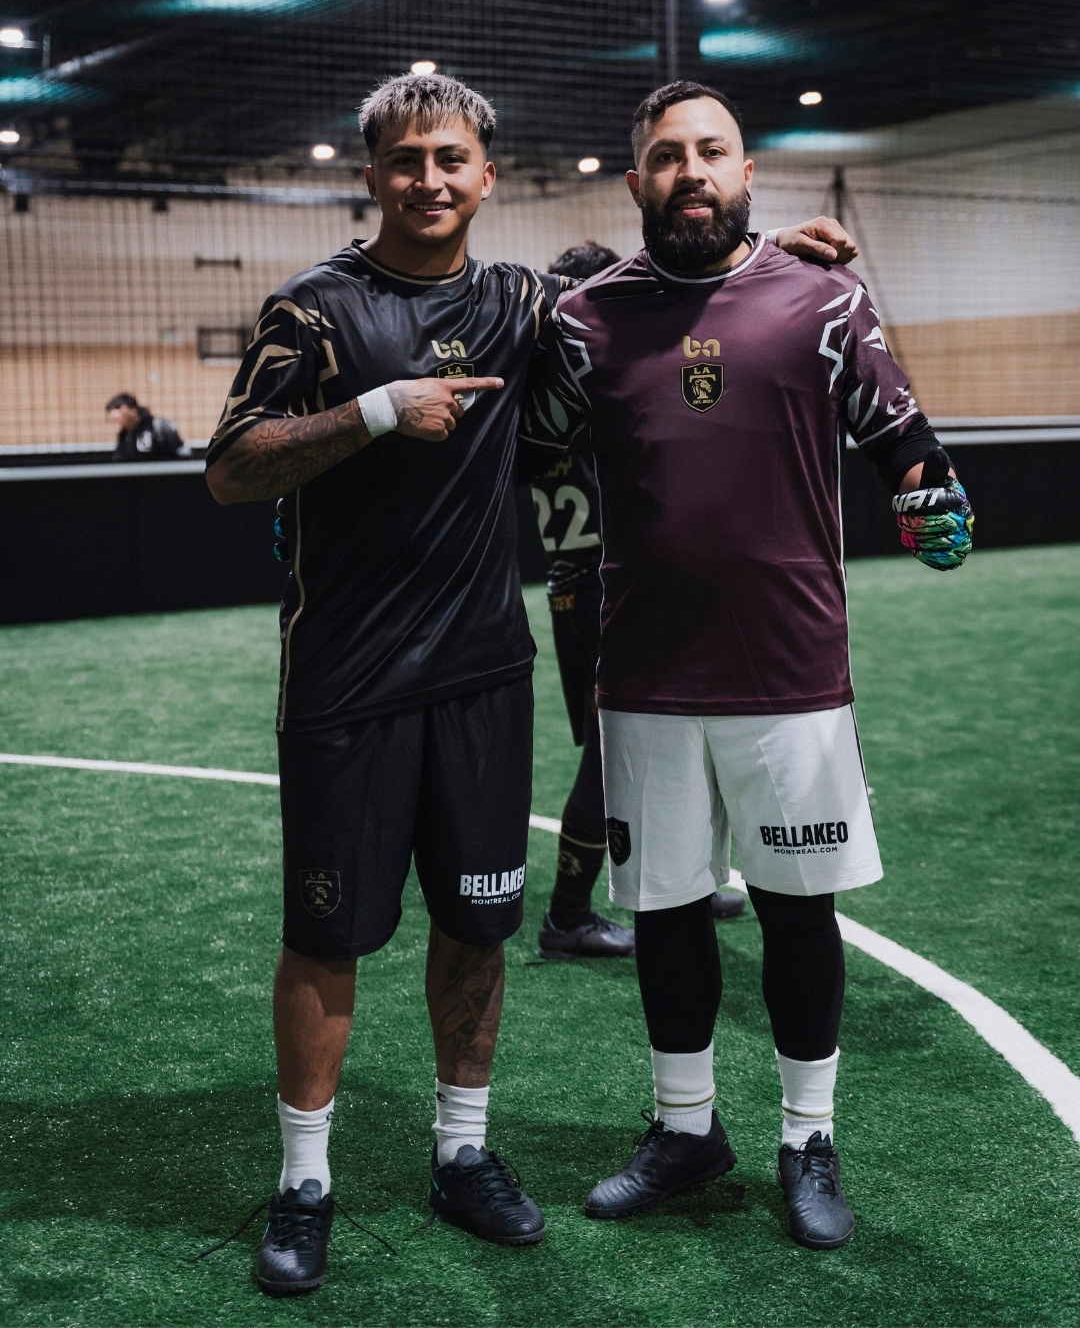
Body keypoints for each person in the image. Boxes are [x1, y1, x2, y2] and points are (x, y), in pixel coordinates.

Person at [205, 70, 862, 1294]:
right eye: (407, 160)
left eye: (450, 159)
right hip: (345, 679)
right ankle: (305, 1182)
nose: (429, 179)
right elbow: (232, 467)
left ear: (486, 176)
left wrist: (772, 252)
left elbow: (664, 283)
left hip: (483, 675)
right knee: (326, 935)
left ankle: (462, 1154)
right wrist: (376, 410)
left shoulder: (522, 305)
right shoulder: (316, 309)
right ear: (373, 174)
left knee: (478, 925)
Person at [520, 81, 972, 1251]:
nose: (692, 171)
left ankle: (808, 1140)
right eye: (668, 156)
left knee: (795, 913)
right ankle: (686, 1130)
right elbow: (513, 442)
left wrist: (933, 500)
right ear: (636, 182)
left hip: (791, 671)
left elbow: (900, 436)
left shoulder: (823, 297)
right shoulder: (584, 323)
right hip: (646, 675)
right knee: (666, 913)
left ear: (747, 171)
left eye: (711, 151)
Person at [532, 241, 744, 962]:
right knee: (610, 754)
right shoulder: (596, 381)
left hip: (577, 586)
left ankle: (686, 880)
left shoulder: (543, 388)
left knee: (672, 732)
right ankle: (567, 915)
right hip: (610, 587)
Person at [107, 393, 184, 460]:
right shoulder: (124, 435)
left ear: (133, 410)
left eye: (118, 408)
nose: (114, 415)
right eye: (112, 411)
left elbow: (179, 452)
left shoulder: (158, 426)